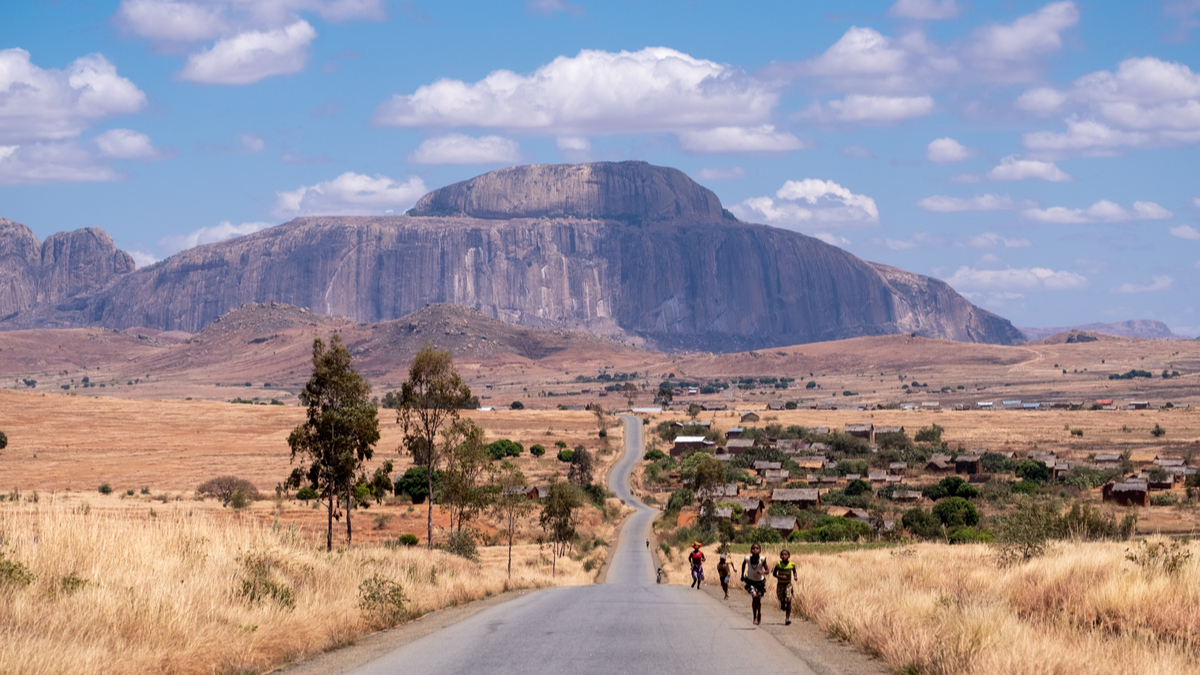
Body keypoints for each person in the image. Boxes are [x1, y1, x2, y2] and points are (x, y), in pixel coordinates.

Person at [740, 543, 769, 625]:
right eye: (753, 548)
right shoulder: (747, 558)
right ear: (750, 550)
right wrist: (742, 575)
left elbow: (767, 570)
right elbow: (743, 564)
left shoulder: (762, 559)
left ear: (760, 550)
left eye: (757, 548)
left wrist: (762, 572)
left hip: (760, 582)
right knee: (754, 597)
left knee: (758, 599)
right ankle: (754, 616)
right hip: (750, 581)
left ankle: (759, 613)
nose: (755, 550)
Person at [773, 549, 798, 626]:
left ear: (789, 556)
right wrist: (781, 576)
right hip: (780, 585)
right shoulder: (778, 564)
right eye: (782, 555)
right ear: (780, 556)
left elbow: (794, 571)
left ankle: (787, 619)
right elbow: (774, 574)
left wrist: (795, 576)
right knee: (781, 599)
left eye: (785, 554)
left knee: (789, 600)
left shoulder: (792, 564)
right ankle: (782, 603)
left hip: (788, 585)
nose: (784, 556)